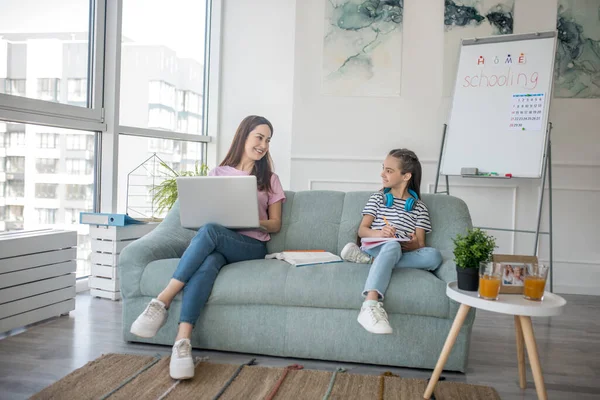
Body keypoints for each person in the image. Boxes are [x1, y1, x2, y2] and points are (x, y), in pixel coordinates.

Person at [129, 115, 286, 379]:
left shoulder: (269, 178)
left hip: (251, 246)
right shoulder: (218, 173)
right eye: (259, 137)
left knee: (211, 231)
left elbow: (275, 224)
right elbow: (206, 216)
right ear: (244, 136)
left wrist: (251, 220)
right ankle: (182, 341)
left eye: (268, 140)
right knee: (209, 260)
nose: (263, 144)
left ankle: (162, 301)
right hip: (219, 243)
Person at [339, 149, 442, 334]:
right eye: (383, 169)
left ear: (406, 176)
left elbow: (420, 243)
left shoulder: (419, 208)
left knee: (433, 256)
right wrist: (380, 233)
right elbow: (362, 231)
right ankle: (370, 303)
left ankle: (370, 262)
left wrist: (413, 245)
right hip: (376, 246)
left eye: (389, 170)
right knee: (391, 245)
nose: (382, 174)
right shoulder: (378, 198)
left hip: (400, 251)